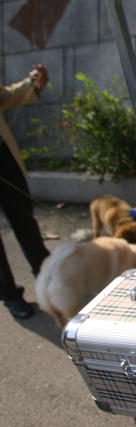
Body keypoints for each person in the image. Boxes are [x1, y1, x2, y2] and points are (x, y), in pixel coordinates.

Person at [0, 64, 51, 319]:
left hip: (3, 157)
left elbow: (5, 97)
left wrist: (32, 83)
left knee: (24, 220)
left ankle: (46, 276)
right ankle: (10, 295)